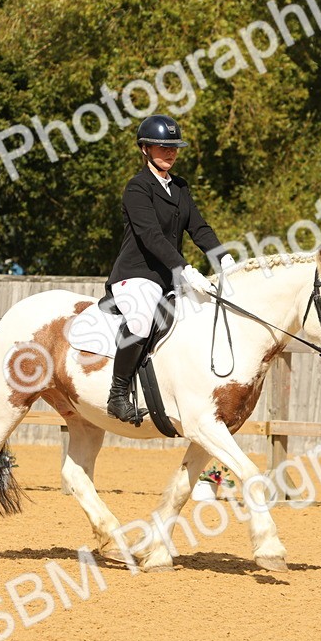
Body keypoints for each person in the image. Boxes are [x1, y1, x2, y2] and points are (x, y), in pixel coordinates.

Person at [105, 114, 234, 425]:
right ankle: (117, 395)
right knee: (141, 320)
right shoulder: (138, 188)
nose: (171, 152)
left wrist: (223, 258)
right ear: (145, 149)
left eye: (174, 147)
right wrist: (185, 268)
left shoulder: (180, 187)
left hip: (170, 278)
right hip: (137, 275)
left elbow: (199, 228)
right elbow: (151, 236)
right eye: (163, 147)